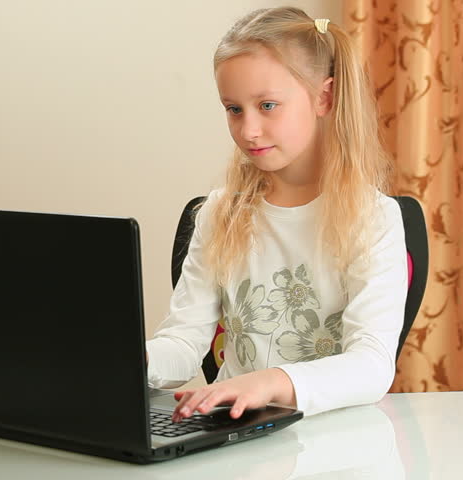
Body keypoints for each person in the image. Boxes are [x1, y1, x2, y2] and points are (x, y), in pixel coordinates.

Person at [146, 7, 407, 422]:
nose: (247, 130)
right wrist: (117, 365)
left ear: (325, 97)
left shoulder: (373, 219)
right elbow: (181, 344)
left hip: (336, 442)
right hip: (235, 437)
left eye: (267, 105)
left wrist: (268, 382)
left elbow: (372, 366)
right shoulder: (220, 213)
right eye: (233, 109)